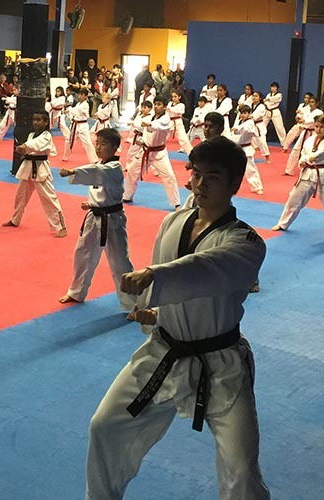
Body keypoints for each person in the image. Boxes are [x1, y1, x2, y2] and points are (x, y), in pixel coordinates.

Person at [86, 136, 270, 500]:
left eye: (212, 177)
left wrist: (156, 275)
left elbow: (206, 271)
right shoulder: (173, 222)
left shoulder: (246, 243)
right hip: (163, 353)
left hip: (221, 365)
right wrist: (156, 313)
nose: (199, 184)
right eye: (195, 174)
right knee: (105, 426)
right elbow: (179, 294)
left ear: (234, 184)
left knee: (242, 467)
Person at [57, 127, 134, 309]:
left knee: (120, 262)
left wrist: (72, 172)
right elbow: (102, 188)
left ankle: (133, 304)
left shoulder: (114, 168)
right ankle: (77, 291)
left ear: (115, 147)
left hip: (112, 221)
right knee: (82, 255)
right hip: (95, 216)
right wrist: (91, 203)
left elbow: (97, 173)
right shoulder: (102, 164)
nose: (98, 147)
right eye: (97, 143)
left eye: (103, 144)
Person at [272, 114, 324, 243]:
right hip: (307, 174)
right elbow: (304, 154)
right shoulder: (309, 140)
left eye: (322, 127)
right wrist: (302, 161)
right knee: (293, 199)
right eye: (316, 126)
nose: (318, 129)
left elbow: (320, 154)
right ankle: (283, 224)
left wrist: (307, 159)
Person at [2, 110, 66, 237]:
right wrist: (23, 151)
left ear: (46, 122)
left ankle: (60, 226)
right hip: (28, 168)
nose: (35, 123)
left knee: (49, 198)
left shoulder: (47, 135)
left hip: (41, 169)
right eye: (34, 120)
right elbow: (29, 148)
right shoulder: (31, 134)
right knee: (20, 196)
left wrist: (24, 146)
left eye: (39, 120)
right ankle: (15, 219)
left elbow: (35, 145)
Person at [123, 99, 182, 209]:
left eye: (159, 104)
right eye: (155, 104)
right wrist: (141, 139)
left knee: (169, 176)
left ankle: (176, 203)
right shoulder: (150, 117)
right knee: (132, 171)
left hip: (159, 154)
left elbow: (158, 125)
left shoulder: (166, 119)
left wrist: (149, 123)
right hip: (145, 151)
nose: (156, 106)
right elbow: (140, 126)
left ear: (164, 107)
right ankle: (127, 196)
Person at [229, 105, 264, 195]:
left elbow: (246, 129)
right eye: (242, 113)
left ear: (249, 114)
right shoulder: (239, 121)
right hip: (237, 147)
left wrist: (237, 128)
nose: (243, 115)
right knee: (231, 168)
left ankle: (257, 187)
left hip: (246, 148)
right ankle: (228, 185)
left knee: (250, 169)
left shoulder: (250, 122)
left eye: (245, 113)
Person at [284, 95, 322, 176]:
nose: (311, 104)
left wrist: (303, 120)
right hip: (305, 132)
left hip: (313, 134)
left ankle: (311, 170)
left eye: (313, 102)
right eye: (310, 102)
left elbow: (313, 121)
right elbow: (300, 116)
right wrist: (298, 118)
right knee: (295, 150)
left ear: (317, 103)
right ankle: (289, 170)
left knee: (311, 152)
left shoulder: (319, 112)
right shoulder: (306, 110)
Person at [63, 88, 96, 162]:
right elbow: (75, 110)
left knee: (87, 143)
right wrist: (69, 112)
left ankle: (94, 159)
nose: (80, 96)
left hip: (82, 125)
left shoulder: (86, 105)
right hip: (75, 125)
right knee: (68, 140)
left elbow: (77, 110)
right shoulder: (78, 104)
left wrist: (68, 110)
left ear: (86, 96)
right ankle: (65, 156)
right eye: (79, 94)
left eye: (82, 95)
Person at [248, 92, 271, 164]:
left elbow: (255, 115)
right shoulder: (250, 105)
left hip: (259, 125)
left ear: (260, 98)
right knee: (245, 139)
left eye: (256, 96)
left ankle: (267, 157)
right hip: (250, 124)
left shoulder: (262, 106)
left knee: (262, 142)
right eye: (253, 96)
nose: (254, 97)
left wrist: (250, 116)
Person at [168, 90, 192, 155]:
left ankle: (192, 155)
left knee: (184, 140)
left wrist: (169, 109)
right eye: (172, 96)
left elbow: (179, 111)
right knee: (161, 140)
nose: (173, 98)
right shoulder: (169, 103)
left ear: (179, 97)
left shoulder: (181, 105)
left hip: (178, 123)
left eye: (175, 96)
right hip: (169, 123)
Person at [263, 82, 288, 147]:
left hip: (275, 111)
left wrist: (269, 100)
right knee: (262, 126)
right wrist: (267, 101)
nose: (273, 88)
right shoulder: (268, 94)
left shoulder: (279, 95)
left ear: (277, 88)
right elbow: (266, 102)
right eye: (272, 87)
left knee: (279, 128)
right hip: (267, 111)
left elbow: (276, 99)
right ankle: (258, 142)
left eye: (274, 87)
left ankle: (284, 143)